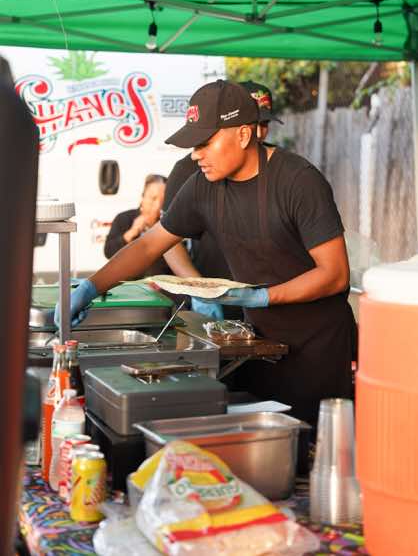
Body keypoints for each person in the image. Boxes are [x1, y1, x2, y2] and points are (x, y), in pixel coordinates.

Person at [57, 80, 356, 426]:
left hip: (318, 348)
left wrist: (264, 296)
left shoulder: (298, 181)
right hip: (260, 344)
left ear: (243, 135)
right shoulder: (203, 186)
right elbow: (150, 244)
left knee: (313, 445)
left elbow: (335, 273)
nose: (195, 154)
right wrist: (92, 287)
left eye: (205, 143)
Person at [162, 80, 282, 320]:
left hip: (272, 303)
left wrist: (269, 296)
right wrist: (200, 291)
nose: (259, 133)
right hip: (215, 301)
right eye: (255, 123)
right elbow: (166, 242)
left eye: (265, 124)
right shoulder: (189, 170)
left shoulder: (281, 167)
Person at [104, 173, 169, 278]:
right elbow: (109, 252)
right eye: (153, 198)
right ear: (143, 197)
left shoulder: (168, 224)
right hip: (127, 283)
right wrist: (131, 233)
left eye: (163, 201)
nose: (157, 206)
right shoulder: (124, 218)